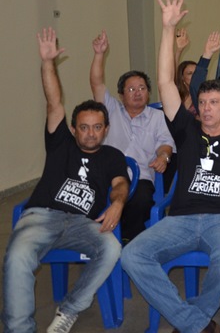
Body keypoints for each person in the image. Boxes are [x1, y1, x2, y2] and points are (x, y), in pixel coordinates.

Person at [121, 0, 220, 333]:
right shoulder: (185, 130)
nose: (206, 108)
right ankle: (194, 322)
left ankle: (192, 319)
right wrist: (167, 29)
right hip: (181, 219)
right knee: (131, 256)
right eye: (202, 102)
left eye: (215, 102)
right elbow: (165, 82)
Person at [3, 28, 129, 333]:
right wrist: (47, 63)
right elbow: (54, 102)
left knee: (112, 248)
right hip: (43, 215)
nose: (90, 133)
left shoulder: (112, 155)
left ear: (106, 128)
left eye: (97, 127)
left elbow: (120, 184)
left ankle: (69, 310)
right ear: (73, 129)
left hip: (84, 223)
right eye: (84, 127)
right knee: (17, 257)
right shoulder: (61, 144)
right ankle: (19, 329)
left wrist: (118, 204)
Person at [89, 30, 174, 242]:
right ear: (121, 95)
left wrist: (163, 157)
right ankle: (103, 240)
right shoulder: (111, 110)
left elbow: (165, 143)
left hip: (142, 177)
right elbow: (97, 84)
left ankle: (125, 240)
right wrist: (99, 54)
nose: (137, 93)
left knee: (141, 201)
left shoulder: (157, 116)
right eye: (131, 89)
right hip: (108, 175)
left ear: (148, 92)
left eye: (142, 88)